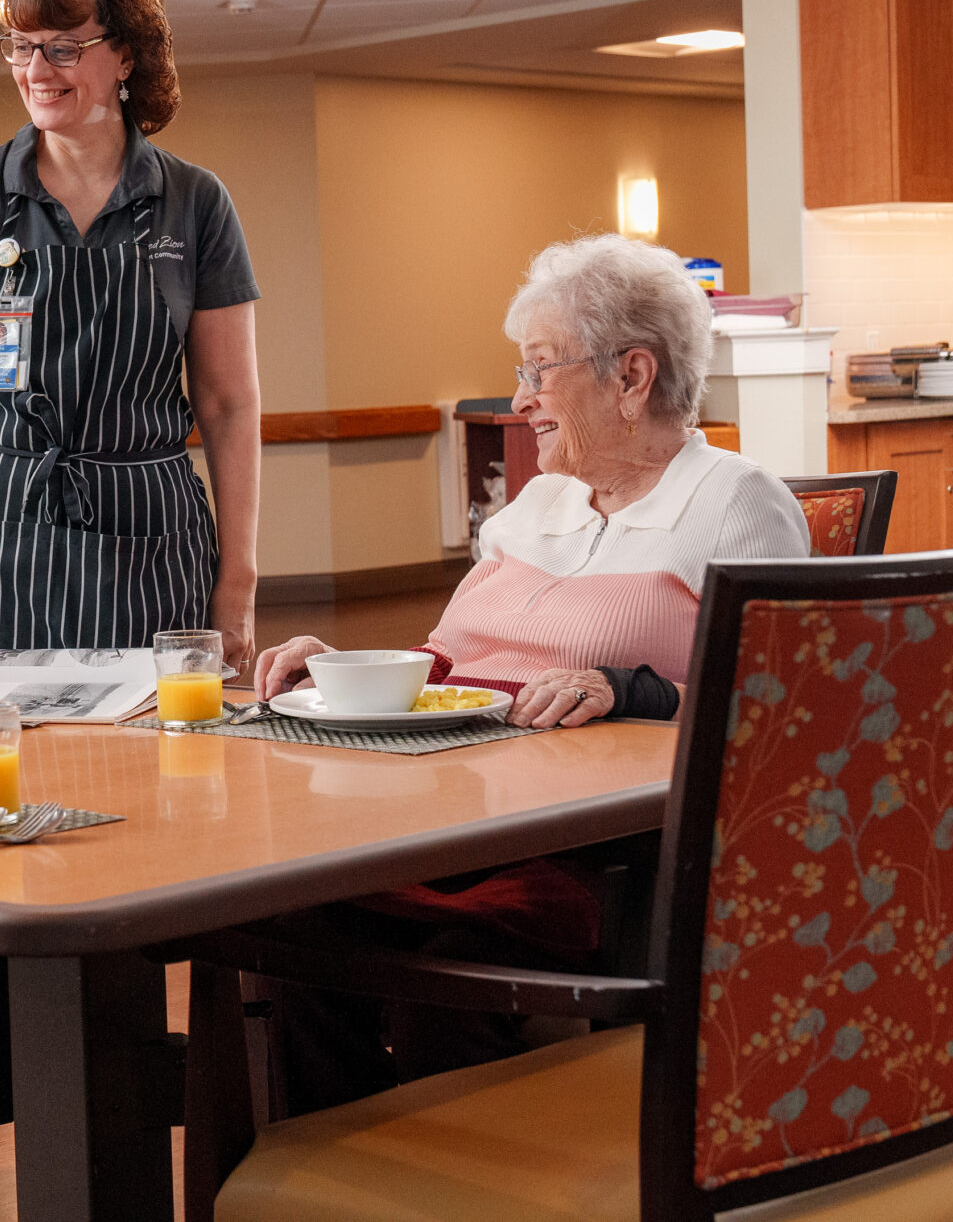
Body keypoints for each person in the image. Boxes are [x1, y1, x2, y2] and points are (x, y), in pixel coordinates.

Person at [250, 233, 812, 1112]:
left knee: (439, 978)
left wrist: (628, 688)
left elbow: (785, 718)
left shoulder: (736, 503)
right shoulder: (539, 502)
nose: (520, 400)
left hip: (585, 856)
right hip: (446, 816)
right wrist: (347, 667)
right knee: (296, 933)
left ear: (631, 376)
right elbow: (453, 657)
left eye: (541, 370)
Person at [0, 0, 263, 1220]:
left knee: (157, 812)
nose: (34, 69)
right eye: (16, 46)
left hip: (152, 524)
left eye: (58, 45)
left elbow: (228, 401)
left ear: (122, 55)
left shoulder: (192, 204)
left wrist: (238, 582)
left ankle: (150, 1083)